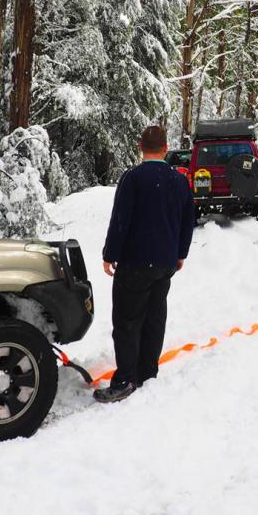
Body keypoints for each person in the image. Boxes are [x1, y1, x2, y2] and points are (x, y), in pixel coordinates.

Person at [94, 125, 196, 404]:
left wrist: (109, 253)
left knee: (127, 321)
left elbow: (120, 220)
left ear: (141, 147)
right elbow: (188, 221)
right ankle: (147, 373)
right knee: (154, 318)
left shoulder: (133, 178)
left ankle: (126, 379)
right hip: (165, 263)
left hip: (135, 263)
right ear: (165, 148)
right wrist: (180, 254)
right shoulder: (179, 181)